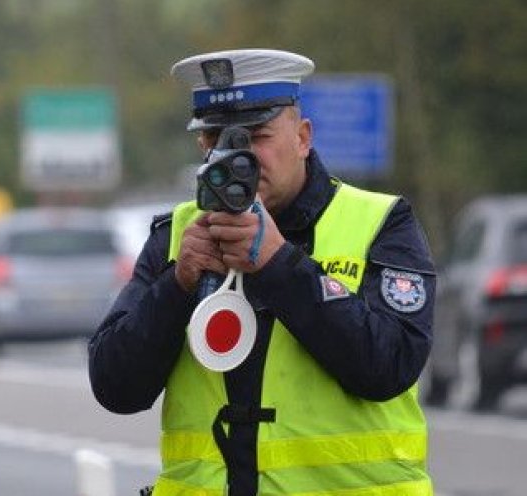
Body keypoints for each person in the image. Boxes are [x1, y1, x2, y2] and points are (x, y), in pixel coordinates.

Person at [88, 49, 436, 496]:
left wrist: (279, 264)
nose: (238, 158)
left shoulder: (381, 222)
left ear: (303, 137)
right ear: (202, 147)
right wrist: (177, 285)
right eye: (218, 139)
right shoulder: (177, 234)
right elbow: (116, 389)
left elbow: (390, 364)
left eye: (256, 136)